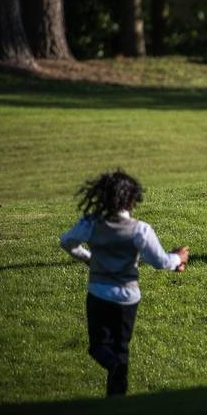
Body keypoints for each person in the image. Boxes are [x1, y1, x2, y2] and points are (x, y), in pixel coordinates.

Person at [60, 169, 189, 396]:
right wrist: (178, 258)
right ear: (131, 200)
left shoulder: (91, 223)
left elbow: (67, 242)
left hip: (98, 293)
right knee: (122, 350)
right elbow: (159, 261)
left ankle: (113, 373)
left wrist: (89, 258)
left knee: (98, 347)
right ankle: (118, 395)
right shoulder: (140, 229)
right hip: (128, 298)